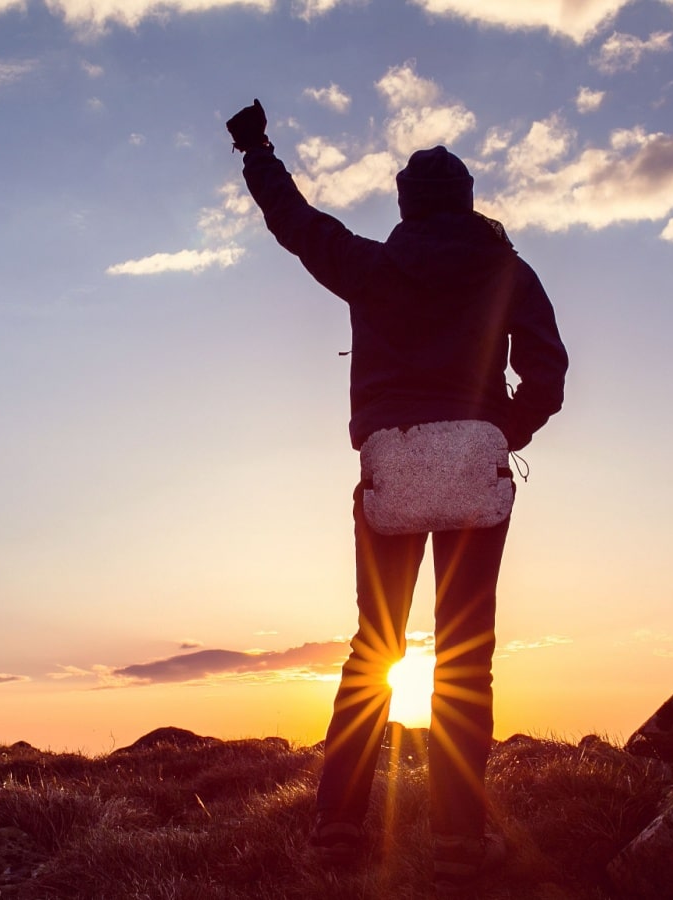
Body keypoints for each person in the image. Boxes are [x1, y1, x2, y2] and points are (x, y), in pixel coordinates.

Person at [226, 99, 569, 893]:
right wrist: (502, 433)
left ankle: (339, 832)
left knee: (373, 650)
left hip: (390, 470)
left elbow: (293, 220)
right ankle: (458, 842)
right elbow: (548, 374)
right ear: (470, 201)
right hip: (476, 473)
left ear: (408, 205)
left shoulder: (372, 265)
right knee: (465, 662)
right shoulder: (510, 271)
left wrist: (256, 148)